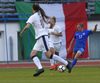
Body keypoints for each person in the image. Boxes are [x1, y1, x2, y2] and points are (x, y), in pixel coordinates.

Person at [20, 3, 71, 77]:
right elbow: (47, 22)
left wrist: (22, 32)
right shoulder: (41, 15)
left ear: (32, 9)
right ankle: (40, 68)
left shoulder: (33, 17)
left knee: (49, 55)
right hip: (39, 38)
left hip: (42, 37)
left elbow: (27, 26)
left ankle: (66, 63)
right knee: (32, 54)